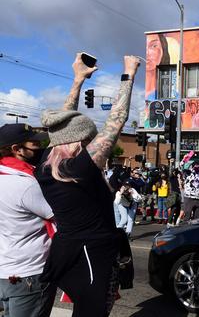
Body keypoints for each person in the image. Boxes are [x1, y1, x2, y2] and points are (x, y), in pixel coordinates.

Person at [36, 54, 139, 316]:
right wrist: (128, 74)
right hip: (93, 254)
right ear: (80, 141)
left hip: (68, 250)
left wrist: (78, 80)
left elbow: (59, 124)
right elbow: (117, 119)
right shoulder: (81, 167)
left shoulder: (46, 164)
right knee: (93, 311)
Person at [0, 124, 56, 317]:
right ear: (16, 149)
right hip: (30, 274)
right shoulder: (24, 184)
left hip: (7, 270)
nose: (40, 146)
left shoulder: (5, 175)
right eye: (34, 143)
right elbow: (60, 215)